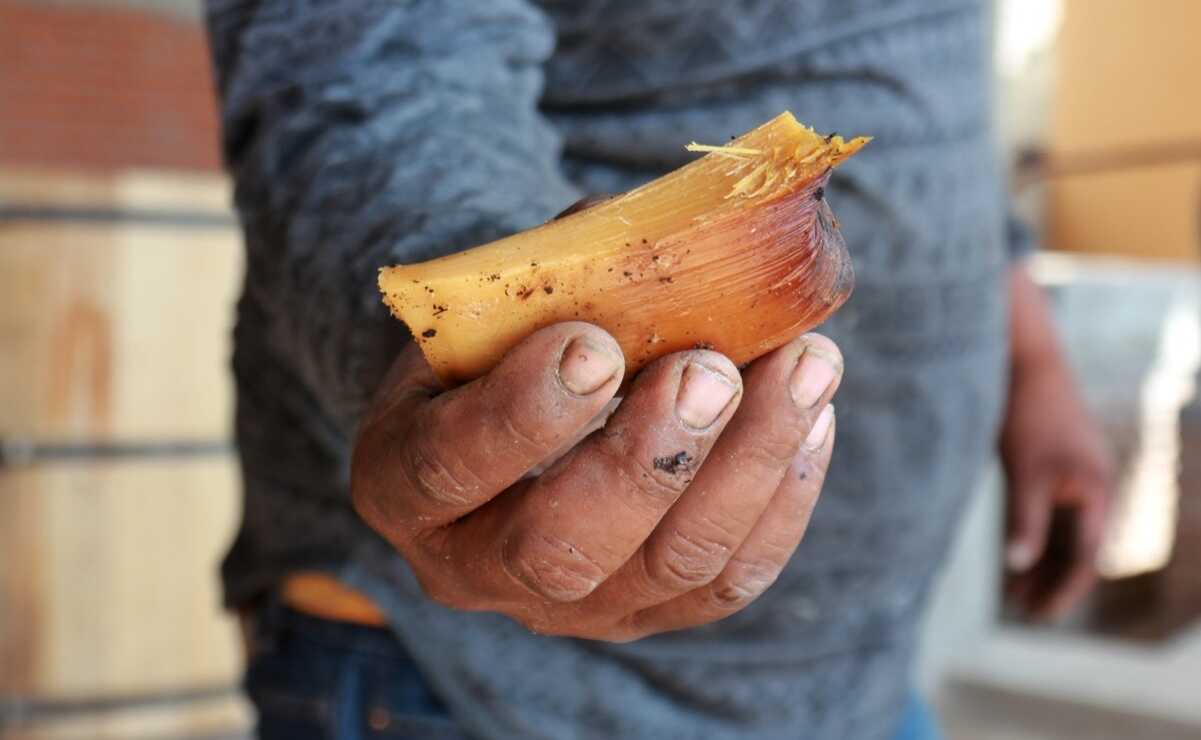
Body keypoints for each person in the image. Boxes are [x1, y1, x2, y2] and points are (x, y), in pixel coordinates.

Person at [204, 1, 1114, 738]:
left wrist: (1029, 353)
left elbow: (907, 63)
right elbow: (371, 55)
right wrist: (500, 377)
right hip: (478, 684)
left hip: (862, 683)